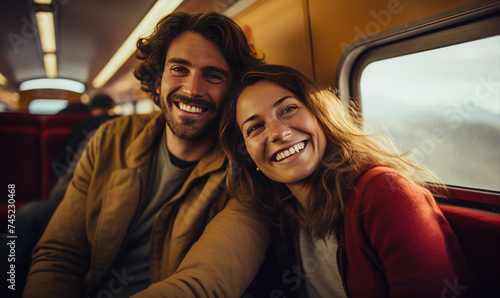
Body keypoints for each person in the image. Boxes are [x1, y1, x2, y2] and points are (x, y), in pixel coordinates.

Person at [23, 12, 269, 297]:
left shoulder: (248, 172)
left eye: (213, 75)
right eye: (179, 69)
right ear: (157, 78)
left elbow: (203, 284)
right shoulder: (109, 140)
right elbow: (59, 255)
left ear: (233, 91)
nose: (192, 89)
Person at [220, 64, 476, 297]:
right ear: (248, 154)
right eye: (255, 128)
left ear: (320, 115)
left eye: (288, 109)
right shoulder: (282, 219)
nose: (280, 133)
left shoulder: (386, 194)